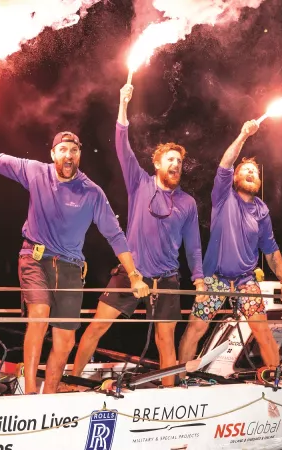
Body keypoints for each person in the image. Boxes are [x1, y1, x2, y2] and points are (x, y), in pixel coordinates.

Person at [0, 127, 150, 395]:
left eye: (74, 150)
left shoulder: (92, 192)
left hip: (70, 267)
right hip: (34, 258)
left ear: (79, 156)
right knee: (39, 316)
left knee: (65, 340)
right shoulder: (35, 172)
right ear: (53, 153)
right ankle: (31, 392)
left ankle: (50, 395)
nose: (68, 155)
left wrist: (134, 275)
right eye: (63, 150)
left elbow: (115, 235)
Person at [70, 83, 205, 387]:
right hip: (130, 274)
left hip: (167, 279)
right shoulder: (139, 183)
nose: (176, 164)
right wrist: (122, 104)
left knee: (165, 340)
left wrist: (199, 279)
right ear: (157, 163)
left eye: (179, 161)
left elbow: (194, 246)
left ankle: (169, 397)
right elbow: (122, 146)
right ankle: (74, 384)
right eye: (170, 159)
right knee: (95, 328)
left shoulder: (187, 203)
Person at [177, 120, 282, 380]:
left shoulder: (262, 210)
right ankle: (179, 381)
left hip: (245, 281)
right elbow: (226, 163)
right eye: (246, 170)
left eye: (255, 171)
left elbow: (271, 250)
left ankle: (274, 379)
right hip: (215, 279)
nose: (251, 173)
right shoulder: (223, 196)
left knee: (262, 331)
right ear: (236, 178)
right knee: (195, 330)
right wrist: (243, 135)